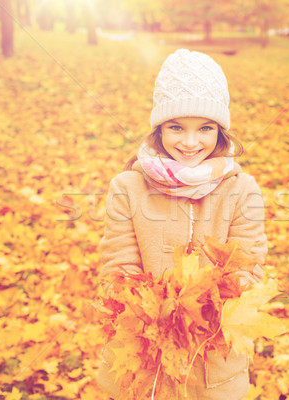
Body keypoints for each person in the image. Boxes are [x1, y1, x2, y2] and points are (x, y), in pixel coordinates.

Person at [97, 48, 268, 400]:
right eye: (177, 127)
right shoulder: (127, 187)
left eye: (204, 128)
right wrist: (151, 307)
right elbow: (117, 266)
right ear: (159, 128)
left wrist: (204, 305)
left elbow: (248, 265)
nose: (190, 143)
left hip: (211, 359)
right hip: (143, 358)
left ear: (220, 131)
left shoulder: (241, 189)